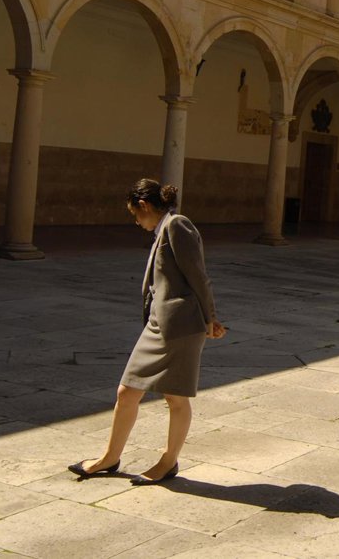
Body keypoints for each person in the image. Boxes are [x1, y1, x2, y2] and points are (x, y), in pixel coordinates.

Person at [68, 178, 226, 485]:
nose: (136, 222)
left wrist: (210, 318)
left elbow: (198, 276)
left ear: (144, 206)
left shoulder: (177, 225)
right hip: (159, 325)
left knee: (175, 397)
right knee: (127, 391)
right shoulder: (162, 229)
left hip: (179, 326)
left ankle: (168, 461)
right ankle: (110, 457)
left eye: (135, 214)